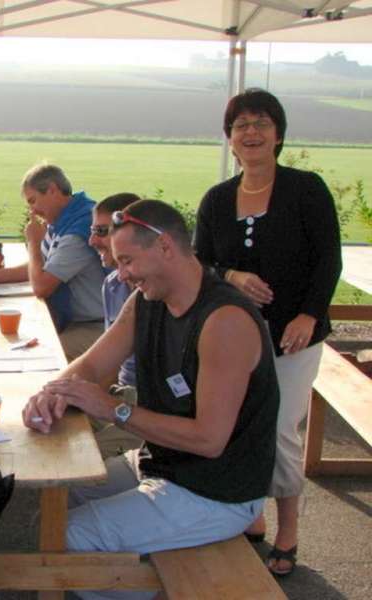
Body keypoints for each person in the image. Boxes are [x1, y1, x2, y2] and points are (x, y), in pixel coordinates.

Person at [23, 200, 279, 600]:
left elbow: (209, 440)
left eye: (127, 261)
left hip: (217, 494)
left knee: (68, 538)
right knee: (57, 505)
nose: (120, 273)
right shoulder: (146, 301)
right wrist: (51, 392)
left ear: (164, 247)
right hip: (163, 467)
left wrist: (113, 409)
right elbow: (91, 366)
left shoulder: (224, 321)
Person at [194, 88, 342, 576]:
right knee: (239, 424)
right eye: (241, 125)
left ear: (278, 134)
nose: (251, 132)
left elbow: (328, 260)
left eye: (261, 123)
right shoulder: (217, 200)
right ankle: (251, 511)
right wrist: (231, 276)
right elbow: (201, 263)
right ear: (230, 139)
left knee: (279, 429)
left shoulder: (306, 189)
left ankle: (290, 528)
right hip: (235, 338)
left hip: (294, 335)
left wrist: (307, 316)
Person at [0, 164, 105, 361]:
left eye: (33, 201)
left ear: (52, 189)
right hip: (76, 321)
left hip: (97, 326)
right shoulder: (64, 219)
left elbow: (42, 286)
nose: (32, 211)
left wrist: (34, 242)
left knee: (40, 357)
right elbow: (43, 266)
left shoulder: (78, 230)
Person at [88, 192, 141, 387]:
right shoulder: (112, 285)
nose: (91, 241)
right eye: (92, 230)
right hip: (122, 394)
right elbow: (109, 364)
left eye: (101, 231)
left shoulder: (161, 290)